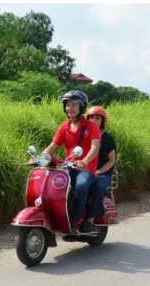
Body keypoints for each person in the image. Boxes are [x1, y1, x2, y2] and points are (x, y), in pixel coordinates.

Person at [36, 90, 101, 232]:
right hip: (69, 166)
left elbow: (95, 148)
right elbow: (52, 147)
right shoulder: (63, 127)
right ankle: (57, 217)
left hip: (86, 168)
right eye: (67, 105)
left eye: (73, 105)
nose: (69, 108)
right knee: (55, 185)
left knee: (82, 186)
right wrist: (38, 158)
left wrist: (84, 161)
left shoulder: (92, 127)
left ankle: (76, 221)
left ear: (81, 108)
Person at [85, 106, 115, 221]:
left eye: (97, 118)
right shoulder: (84, 136)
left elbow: (111, 160)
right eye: (91, 118)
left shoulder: (107, 139)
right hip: (86, 170)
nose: (93, 120)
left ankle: (90, 220)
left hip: (102, 173)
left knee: (99, 186)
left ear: (103, 121)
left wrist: (100, 171)